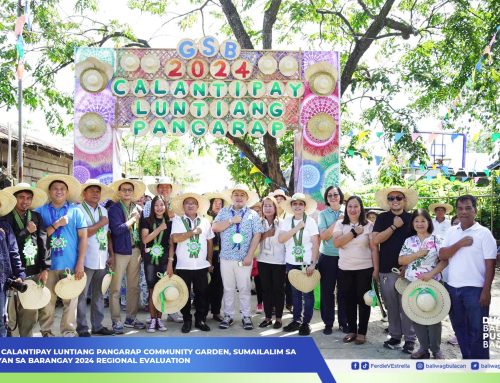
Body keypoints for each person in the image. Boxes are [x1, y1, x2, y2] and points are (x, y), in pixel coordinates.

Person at [439, 195, 496, 359]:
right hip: (452, 288)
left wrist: (486, 291)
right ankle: (468, 363)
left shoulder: (484, 234)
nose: (463, 212)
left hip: (476, 290)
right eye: (460, 208)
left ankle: (481, 367)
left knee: (479, 330)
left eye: (468, 208)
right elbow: (442, 255)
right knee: (459, 328)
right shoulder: (451, 231)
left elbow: (490, 265)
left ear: (475, 211)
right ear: (456, 211)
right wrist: (460, 244)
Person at [35, 174, 87, 337]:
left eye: (62, 189)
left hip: (69, 264)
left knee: (70, 300)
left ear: (67, 192)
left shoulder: (76, 211)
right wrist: (57, 224)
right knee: (47, 300)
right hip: (47, 265)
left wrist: (80, 263)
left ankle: (68, 331)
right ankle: (46, 331)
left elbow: (83, 237)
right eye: (55, 189)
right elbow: (39, 236)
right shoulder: (39, 211)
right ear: (49, 192)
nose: (59, 191)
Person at [212, 184, 264, 330]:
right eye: (236, 194)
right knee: (228, 288)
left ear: (247, 198)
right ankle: (228, 315)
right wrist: (230, 221)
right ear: (232, 197)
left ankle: (246, 316)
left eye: (242, 195)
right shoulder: (224, 211)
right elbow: (215, 227)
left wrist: (249, 255)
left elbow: (257, 235)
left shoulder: (252, 214)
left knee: (244, 287)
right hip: (226, 257)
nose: (239, 197)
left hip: (243, 259)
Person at [372, 186, 417, 353]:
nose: (395, 201)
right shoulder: (383, 218)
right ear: (388, 201)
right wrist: (393, 226)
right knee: (391, 306)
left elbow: (417, 244)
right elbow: (375, 240)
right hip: (385, 269)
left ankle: (410, 339)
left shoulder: (413, 218)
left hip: (407, 270)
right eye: (391, 198)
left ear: (404, 200)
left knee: (407, 305)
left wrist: (408, 265)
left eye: (399, 198)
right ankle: (395, 336)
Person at [398, 209, 447, 359]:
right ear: (412, 224)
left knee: (434, 317)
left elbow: (444, 261)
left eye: (423, 221)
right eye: (416, 221)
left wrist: (430, 274)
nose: (420, 224)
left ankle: (436, 349)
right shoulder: (409, 241)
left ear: (428, 222)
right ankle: (423, 348)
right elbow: (401, 260)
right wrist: (417, 254)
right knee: (417, 317)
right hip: (413, 285)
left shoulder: (437, 239)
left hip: (433, 284)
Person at [3, 183, 48, 337]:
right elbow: (7, 245)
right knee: (12, 312)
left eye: (29, 198)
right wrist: (25, 232)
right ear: (14, 199)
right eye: (21, 197)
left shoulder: (36, 217)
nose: (25, 201)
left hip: (33, 271)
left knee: (30, 310)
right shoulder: (6, 218)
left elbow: (43, 242)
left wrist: (45, 268)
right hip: (12, 273)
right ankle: (13, 345)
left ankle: (26, 342)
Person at [333, 196, 378, 344]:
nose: (353, 209)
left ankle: (362, 332)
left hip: (364, 269)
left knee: (364, 301)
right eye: (350, 206)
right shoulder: (340, 224)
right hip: (345, 269)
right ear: (346, 209)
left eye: (356, 206)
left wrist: (376, 269)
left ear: (361, 208)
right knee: (349, 301)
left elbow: (373, 249)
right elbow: (337, 243)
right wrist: (354, 232)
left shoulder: (369, 225)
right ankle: (352, 330)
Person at [170, 193, 213, 333]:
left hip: (201, 264)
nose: (190, 205)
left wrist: (210, 260)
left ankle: (200, 319)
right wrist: (192, 232)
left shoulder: (205, 221)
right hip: (183, 264)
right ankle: (187, 320)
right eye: (187, 203)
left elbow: (209, 241)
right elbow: (175, 239)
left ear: (198, 206)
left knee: (202, 294)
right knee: (184, 294)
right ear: (183, 206)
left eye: (193, 203)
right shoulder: (178, 220)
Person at [76, 180, 114, 337]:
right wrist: (101, 223)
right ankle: (82, 327)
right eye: (91, 191)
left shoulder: (103, 211)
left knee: (99, 293)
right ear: (84, 194)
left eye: (97, 191)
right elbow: (83, 234)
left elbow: (107, 234)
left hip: (101, 256)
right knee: (81, 295)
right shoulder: (78, 210)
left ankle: (97, 326)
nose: (95, 194)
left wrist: (111, 254)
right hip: (85, 258)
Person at [108, 178, 146, 333]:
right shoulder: (114, 208)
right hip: (120, 252)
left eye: (129, 190)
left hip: (135, 250)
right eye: (124, 190)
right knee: (115, 288)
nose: (127, 192)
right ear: (119, 192)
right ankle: (116, 320)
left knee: (133, 287)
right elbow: (117, 230)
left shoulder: (138, 208)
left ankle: (131, 318)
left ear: (133, 192)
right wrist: (132, 220)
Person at [143, 176, 183, 323]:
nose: (164, 189)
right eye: (162, 187)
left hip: (171, 247)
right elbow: (151, 221)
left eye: (167, 187)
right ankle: (154, 315)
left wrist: (170, 212)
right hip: (153, 249)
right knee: (153, 284)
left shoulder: (176, 203)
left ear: (171, 189)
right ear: (157, 189)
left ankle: (172, 310)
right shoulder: (149, 204)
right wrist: (168, 213)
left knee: (170, 279)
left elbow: (177, 217)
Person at [279, 193, 319, 336]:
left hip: (307, 263)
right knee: (295, 294)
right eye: (294, 204)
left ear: (304, 207)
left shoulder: (311, 221)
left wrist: (313, 263)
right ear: (291, 206)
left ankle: (306, 323)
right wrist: (297, 228)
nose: (297, 206)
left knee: (307, 294)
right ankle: (296, 320)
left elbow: (315, 243)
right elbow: (281, 239)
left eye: (300, 204)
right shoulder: (287, 221)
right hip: (292, 263)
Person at [318, 185, 347, 335]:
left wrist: (343, 217)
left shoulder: (349, 211)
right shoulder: (323, 214)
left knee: (343, 291)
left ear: (340, 196)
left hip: (346, 257)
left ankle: (344, 322)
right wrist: (338, 221)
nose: (333, 197)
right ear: (326, 199)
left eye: (335, 194)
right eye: (330, 195)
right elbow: (324, 236)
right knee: (327, 291)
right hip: (327, 257)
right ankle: (328, 323)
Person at [140, 195, 171, 333]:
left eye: (162, 205)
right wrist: (159, 229)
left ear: (165, 206)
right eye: (156, 205)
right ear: (152, 207)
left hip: (164, 260)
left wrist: (170, 261)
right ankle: (152, 319)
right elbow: (145, 239)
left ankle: (160, 318)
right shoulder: (147, 221)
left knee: (162, 289)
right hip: (150, 259)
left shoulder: (170, 222)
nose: (159, 208)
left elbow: (171, 244)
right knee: (153, 289)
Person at [257, 196, 286, 329]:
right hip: (263, 260)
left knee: (278, 290)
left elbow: (286, 241)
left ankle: (279, 318)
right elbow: (254, 240)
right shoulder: (259, 223)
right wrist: (266, 234)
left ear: (275, 208)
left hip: (279, 261)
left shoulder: (282, 223)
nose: (267, 208)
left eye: (270, 205)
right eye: (265, 206)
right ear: (262, 209)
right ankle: (268, 317)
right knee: (266, 290)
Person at [0, 190, 26, 338]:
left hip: (1, 282)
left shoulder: (6, 228)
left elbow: (13, 253)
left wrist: (19, 275)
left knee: (1, 322)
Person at [204, 192, 229, 322]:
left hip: (221, 254)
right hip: (207, 254)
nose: (218, 205)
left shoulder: (226, 218)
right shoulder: (205, 218)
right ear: (211, 204)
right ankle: (203, 310)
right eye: (215, 203)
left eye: (220, 203)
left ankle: (216, 311)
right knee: (205, 283)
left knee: (218, 284)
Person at [270, 189, 293, 313]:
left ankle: (290, 303)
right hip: (272, 254)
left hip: (288, 253)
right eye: (276, 198)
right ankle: (274, 305)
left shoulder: (289, 216)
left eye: (281, 198)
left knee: (289, 280)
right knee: (275, 282)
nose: (279, 200)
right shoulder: (269, 215)